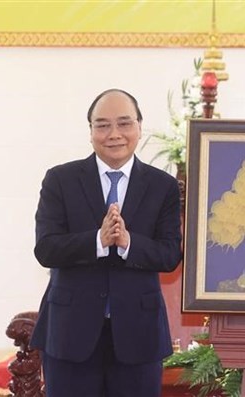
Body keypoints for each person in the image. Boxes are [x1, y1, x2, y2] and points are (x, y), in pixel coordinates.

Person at [30, 89, 183, 396]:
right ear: (90, 132)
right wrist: (97, 241)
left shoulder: (162, 185)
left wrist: (128, 243)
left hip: (138, 336)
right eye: (102, 125)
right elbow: (46, 248)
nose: (114, 134)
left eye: (124, 123)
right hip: (70, 334)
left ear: (139, 126)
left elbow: (169, 255)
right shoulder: (60, 179)